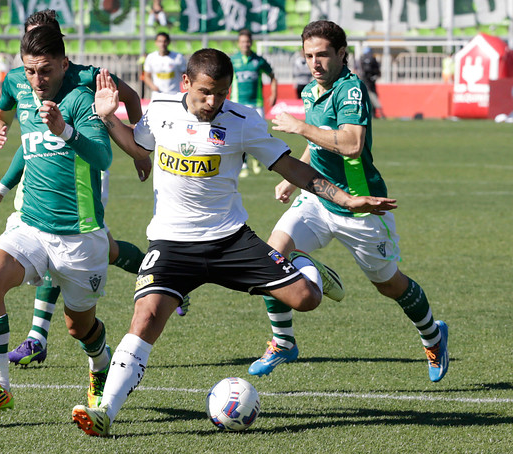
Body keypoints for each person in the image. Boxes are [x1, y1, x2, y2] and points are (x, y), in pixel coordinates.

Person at [70, 49, 397, 436]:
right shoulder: (159, 109)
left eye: (222, 93)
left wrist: (344, 199)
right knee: (144, 318)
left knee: (307, 299)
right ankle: (106, 411)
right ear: (185, 84)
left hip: (230, 241)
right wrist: (108, 117)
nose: (214, 102)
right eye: (206, 92)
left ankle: (309, 268)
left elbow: (291, 166)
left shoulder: (243, 120)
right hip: (172, 244)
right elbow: (141, 149)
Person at [248, 20, 449, 384]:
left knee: (388, 284)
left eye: (323, 54)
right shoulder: (312, 91)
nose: (315, 62)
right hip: (319, 196)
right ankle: (283, 342)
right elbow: (318, 141)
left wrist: (300, 127)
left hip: (361, 205)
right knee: (272, 255)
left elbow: (351, 142)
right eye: (309, 55)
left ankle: (433, 335)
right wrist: (292, 181)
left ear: (342, 53)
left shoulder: (350, 89)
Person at [0, 25, 141, 416]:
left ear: (64, 64)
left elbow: (103, 158)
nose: (36, 80)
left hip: (79, 235)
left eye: (45, 70)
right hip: (29, 226)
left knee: (80, 328)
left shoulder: (80, 100)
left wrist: (63, 130)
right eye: (30, 71)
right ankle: (0, 386)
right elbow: (27, 147)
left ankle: (100, 367)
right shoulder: (25, 94)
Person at [230, 28, 277, 178]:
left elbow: (272, 76)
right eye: (243, 41)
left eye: (248, 41)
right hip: (238, 102)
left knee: (258, 133)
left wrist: (274, 93)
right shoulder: (233, 60)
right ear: (239, 43)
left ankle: (256, 160)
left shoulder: (259, 60)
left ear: (251, 43)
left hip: (257, 102)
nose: (246, 44)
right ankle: (243, 165)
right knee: (239, 135)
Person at [358, 47, 384, 119]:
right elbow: (378, 72)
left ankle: (375, 113)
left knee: (369, 97)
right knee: (372, 96)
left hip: (366, 81)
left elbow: (360, 71)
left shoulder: (362, 59)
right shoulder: (373, 59)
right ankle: (378, 112)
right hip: (370, 81)